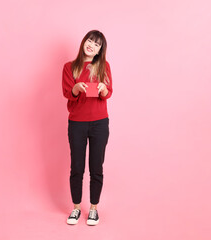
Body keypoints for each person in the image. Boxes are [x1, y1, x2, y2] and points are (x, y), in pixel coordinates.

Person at [62, 30, 113, 226]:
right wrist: (76, 88)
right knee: (76, 167)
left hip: (100, 123)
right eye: (90, 41)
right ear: (84, 41)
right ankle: (76, 208)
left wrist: (103, 89)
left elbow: (109, 92)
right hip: (77, 123)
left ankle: (93, 209)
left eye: (97, 44)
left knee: (96, 167)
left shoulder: (104, 66)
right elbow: (67, 92)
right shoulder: (70, 67)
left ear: (100, 50)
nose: (92, 45)